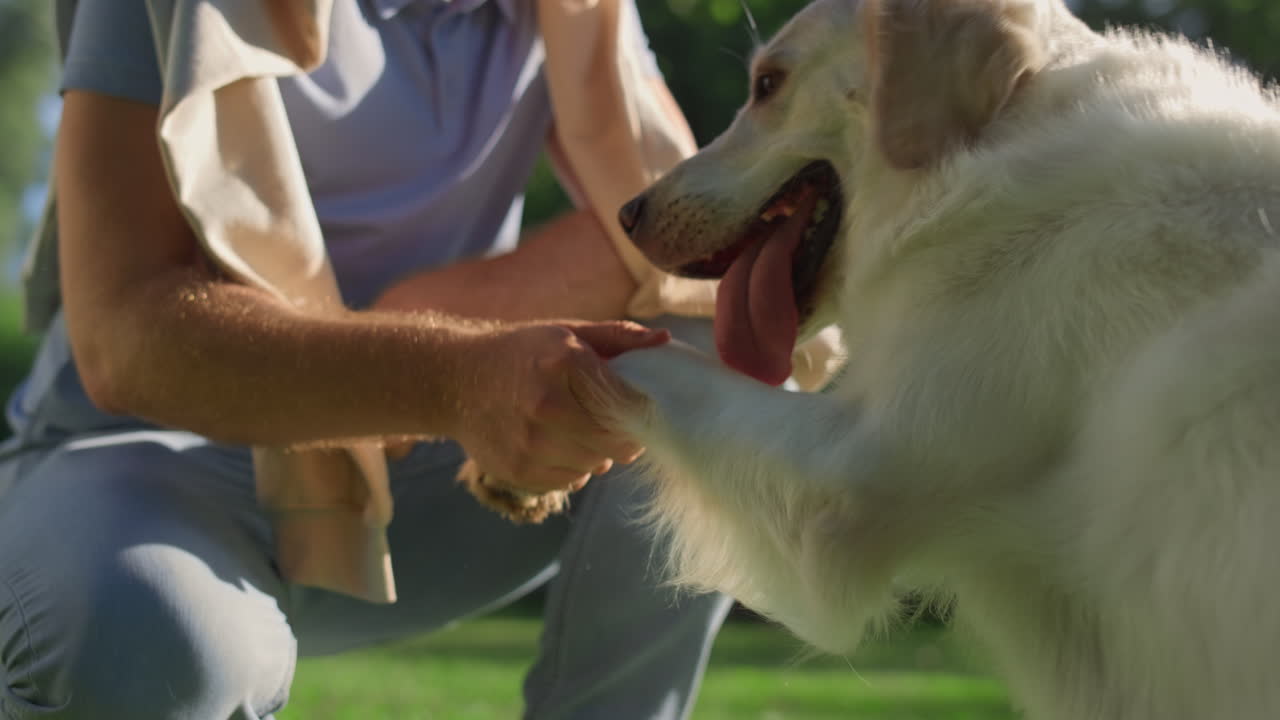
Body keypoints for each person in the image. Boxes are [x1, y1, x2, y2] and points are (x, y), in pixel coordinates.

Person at [0, 1, 738, 718]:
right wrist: (451, 374)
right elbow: (125, 337)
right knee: (149, 641)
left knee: (711, 354)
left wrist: (437, 321)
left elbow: (692, 245)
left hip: (418, 472)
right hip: (145, 460)